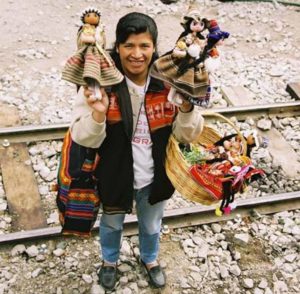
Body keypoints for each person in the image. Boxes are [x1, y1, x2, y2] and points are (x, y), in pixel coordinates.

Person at [69, 12, 205, 290]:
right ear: (116, 47)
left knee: (152, 226)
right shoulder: (100, 82)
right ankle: (109, 261)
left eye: (144, 46)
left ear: (155, 47)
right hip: (113, 173)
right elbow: (82, 137)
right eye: (128, 45)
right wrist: (98, 115)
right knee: (111, 225)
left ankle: (150, 259)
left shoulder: (170, 81)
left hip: (155, 175)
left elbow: (187, 135)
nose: (136, 54)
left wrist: (188, 109)